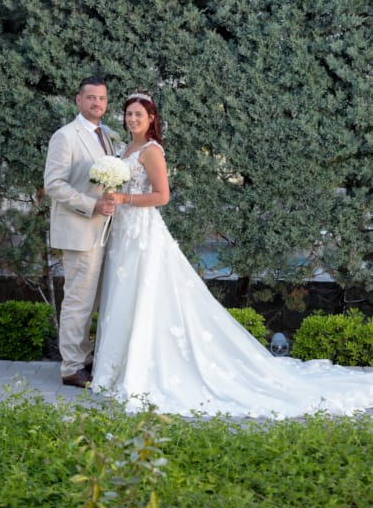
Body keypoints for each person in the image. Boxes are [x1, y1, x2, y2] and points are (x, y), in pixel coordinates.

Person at [90, 92, 373, 418]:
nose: (133, 119)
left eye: (139, 114)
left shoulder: (152, 151)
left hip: (143, 233)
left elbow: (162, 196)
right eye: (129, 114)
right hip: (123, 234)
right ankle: (118, 367)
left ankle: (143, 369)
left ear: (151, 118)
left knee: (145, 295)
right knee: (124, 296)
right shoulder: (125, 149)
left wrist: (124, 200)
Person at [44, 76, 120, 388]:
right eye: (90, 98)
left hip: (106, 232)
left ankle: (86, 357)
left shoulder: (109, 135)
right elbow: (54, 184)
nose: (97, 103)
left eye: (101, 98)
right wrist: (91, 205)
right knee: (78, 300)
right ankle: (71, 368)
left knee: (97, 299)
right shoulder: (66, 136)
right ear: (78, 100)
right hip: (79, 230)